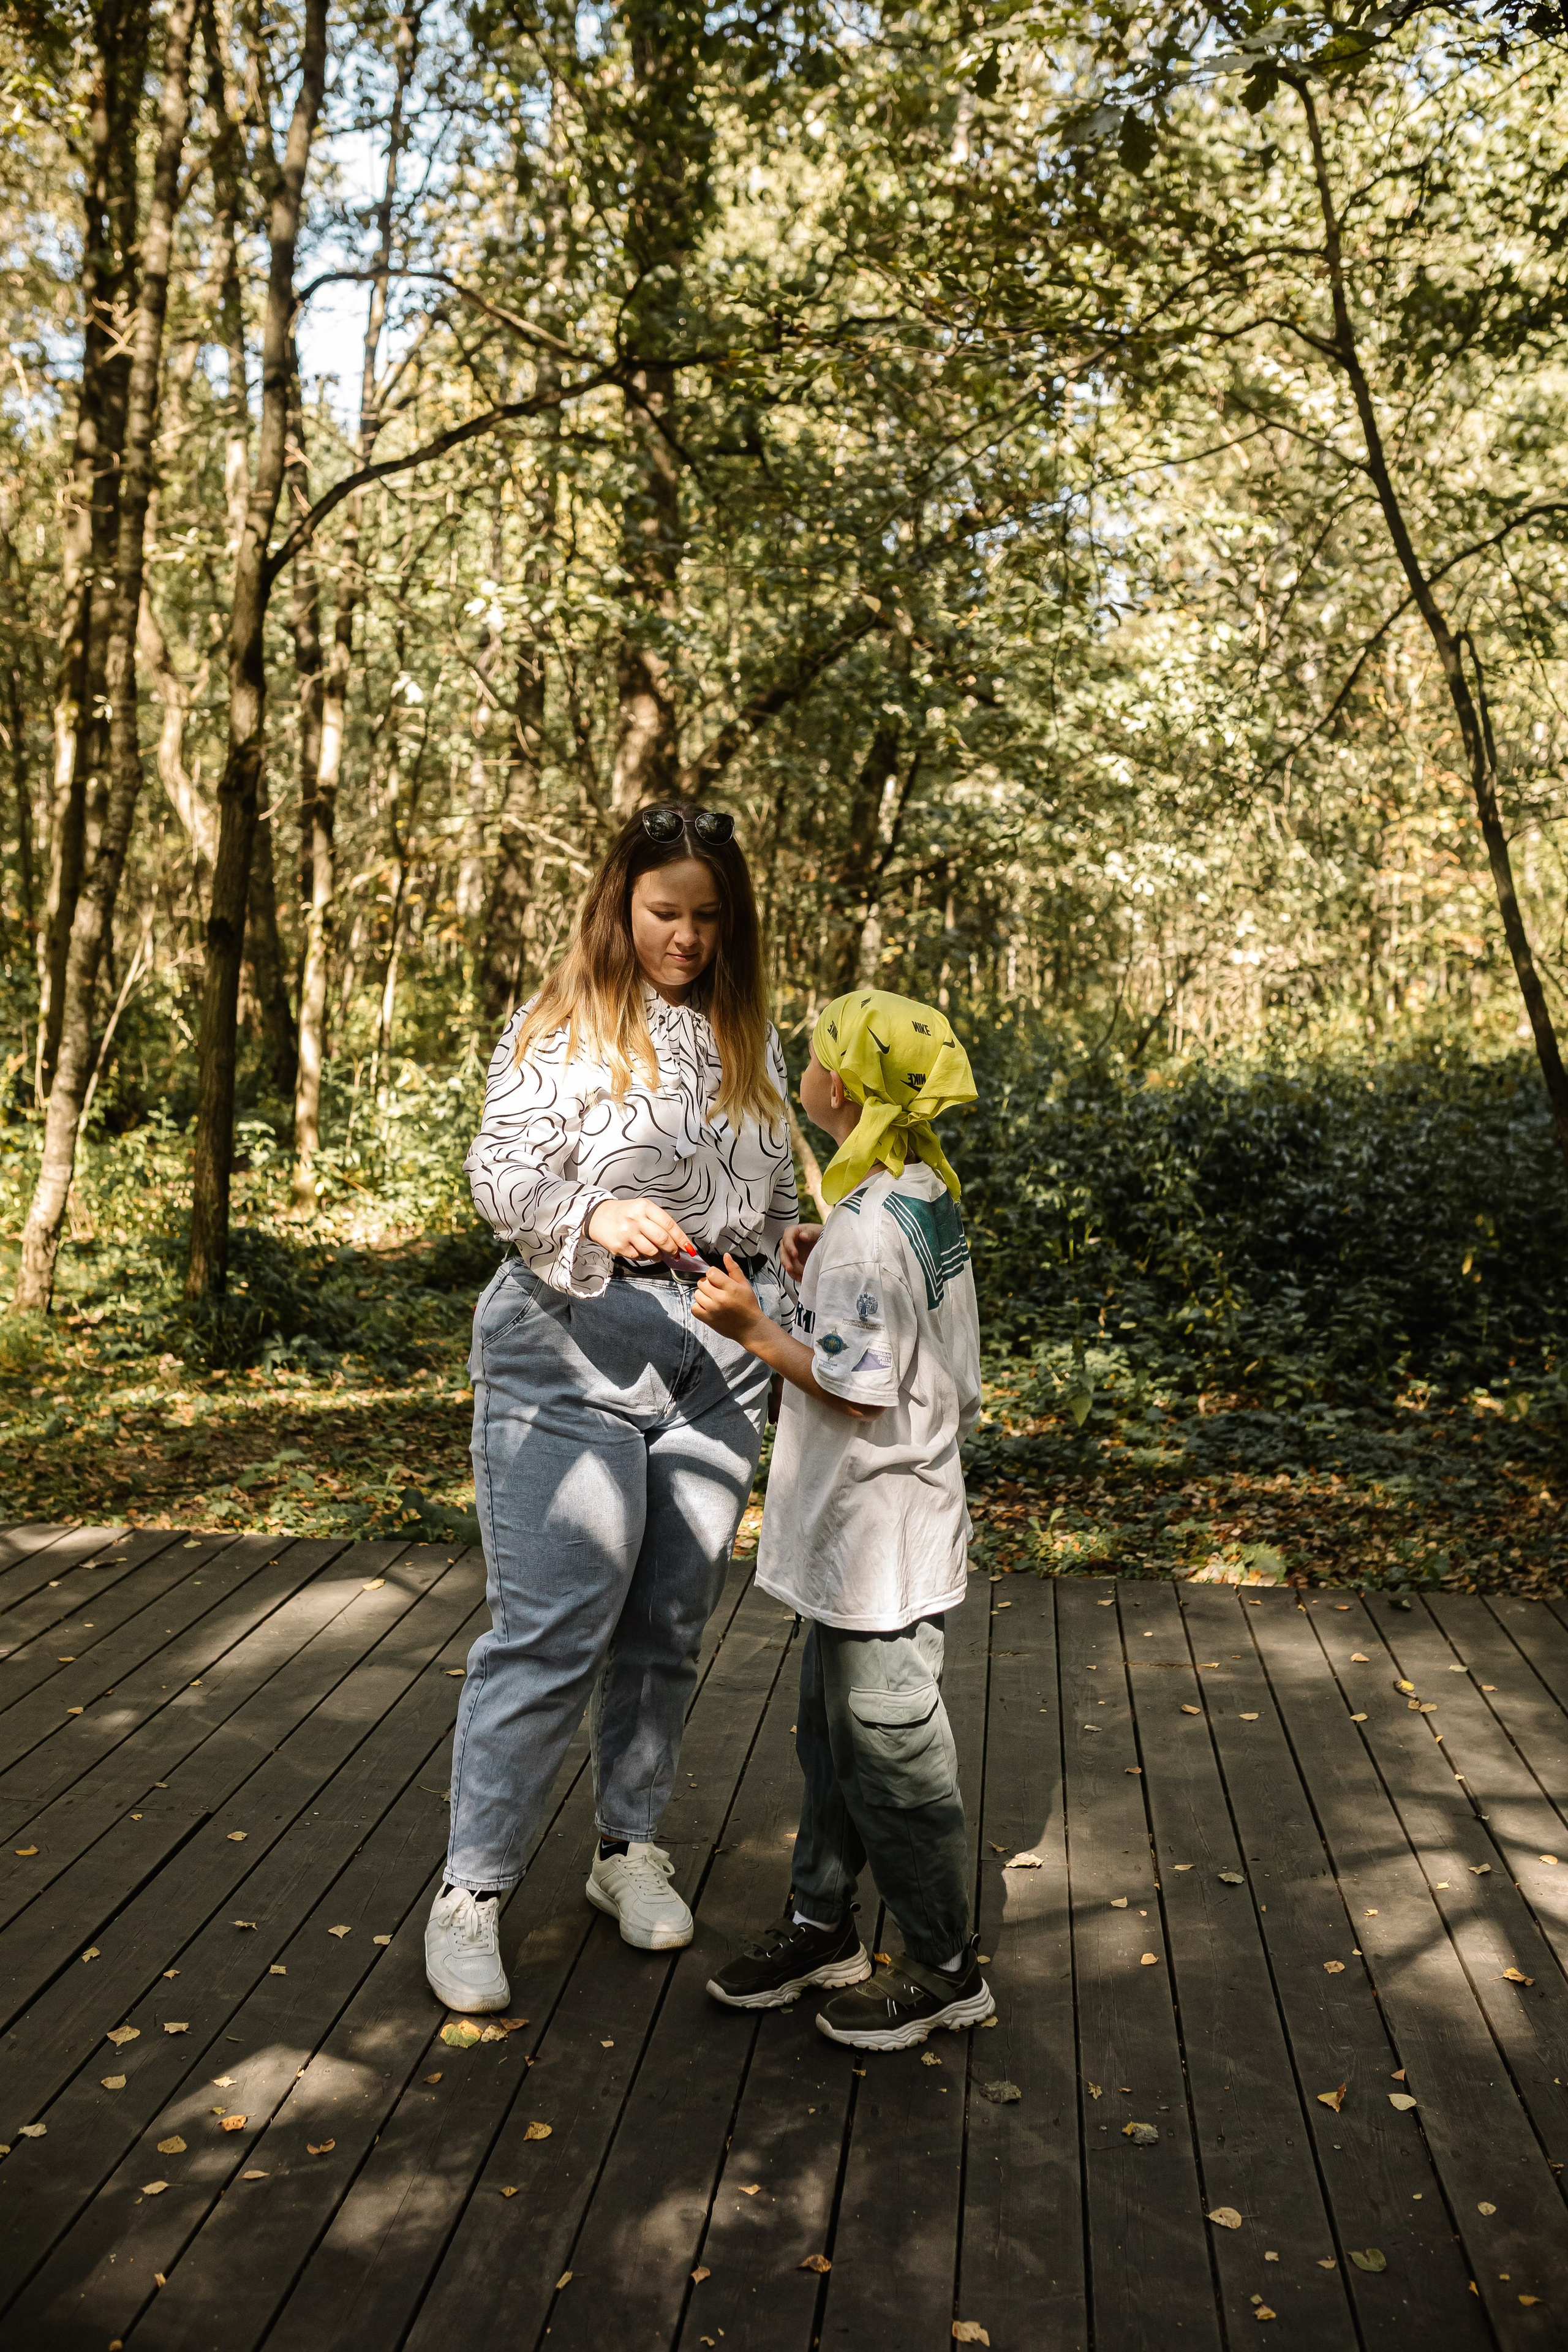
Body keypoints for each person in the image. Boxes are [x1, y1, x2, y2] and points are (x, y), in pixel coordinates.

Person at [425, 805, 797, 2014]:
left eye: (704, 916)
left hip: (713, 1358)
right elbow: (503, 1171)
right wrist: (591, 1214)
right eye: (662, 913)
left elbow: (762, 1196)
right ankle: (472, 1890)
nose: (683, 937)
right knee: (550, 1631)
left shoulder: (748, 1038)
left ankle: (624, 1851)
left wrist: (792, 1255)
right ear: (618, 907)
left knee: (664, 1628)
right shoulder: (560, 1024)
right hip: (565, 1346)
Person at [690, 988, 992, 2051]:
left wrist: (757, 1325)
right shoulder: (910, 1196)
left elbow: (859, 1388)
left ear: (845, 1088)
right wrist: (826, 1278)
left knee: (894, 1758)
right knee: (833, 1740)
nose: (800, 1068)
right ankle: (823, 1926)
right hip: (875, 1529)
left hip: (880, 1538)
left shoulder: (871, 1230)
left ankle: (944, 1964)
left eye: (812, 1057)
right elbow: (912, 1343)